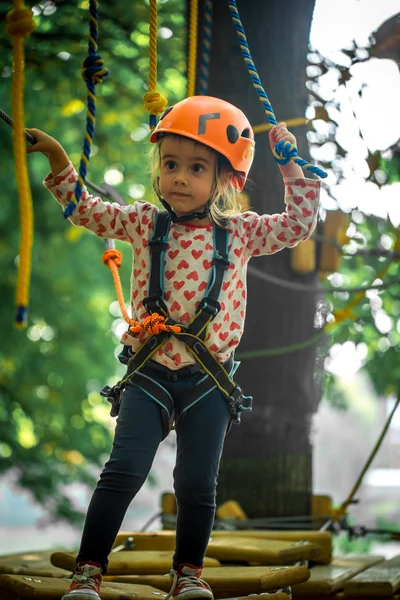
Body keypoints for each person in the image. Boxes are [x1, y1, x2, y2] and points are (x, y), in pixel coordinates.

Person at [27, 95, 321, 600]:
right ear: (158, 170)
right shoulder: (144, 223)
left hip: (210, 381)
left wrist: (292, 166)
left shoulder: (242, 233)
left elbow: (299, 225)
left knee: (195, 484)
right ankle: (88, 571)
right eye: (170, 165)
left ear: (225, 180)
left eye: (196, 168)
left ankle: (188, 572)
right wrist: (57, 157)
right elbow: (85, 210)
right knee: (123, 471)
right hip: (151, 373)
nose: (180, 177)